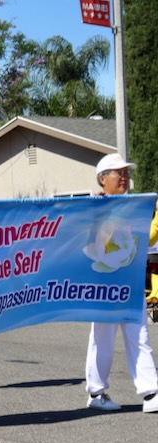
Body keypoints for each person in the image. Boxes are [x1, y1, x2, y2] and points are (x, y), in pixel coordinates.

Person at [84, 153, 158, 413]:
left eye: (127, 173)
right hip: (103, 284)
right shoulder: (93, 207)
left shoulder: (136, 208)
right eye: (119, 173)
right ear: (103, 179)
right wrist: (98, 211)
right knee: (102, 339)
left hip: (131, 281)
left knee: (139, 335)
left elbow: (146, 241)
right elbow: (90, 243)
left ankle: (151, 393)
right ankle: (96, 392)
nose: (125, 177)